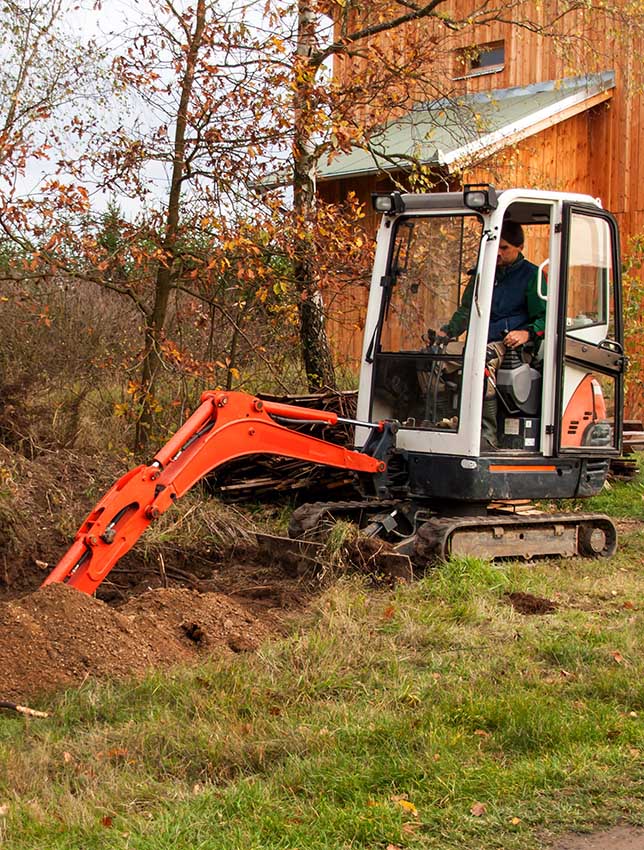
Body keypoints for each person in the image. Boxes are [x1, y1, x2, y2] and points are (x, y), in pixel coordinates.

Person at [439, 221, 546, 447]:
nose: (498, 252)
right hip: (480, 340)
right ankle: (443, 420)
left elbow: (545, 317)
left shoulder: (532, 276)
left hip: (512, 346)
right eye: (495, 245)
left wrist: (527, 333)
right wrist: (447, 332)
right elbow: (467, 310)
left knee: (482, 360)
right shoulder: (483, 273)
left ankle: (487, 434)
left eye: (504, 247)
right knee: (435, 357)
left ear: (520, 247)